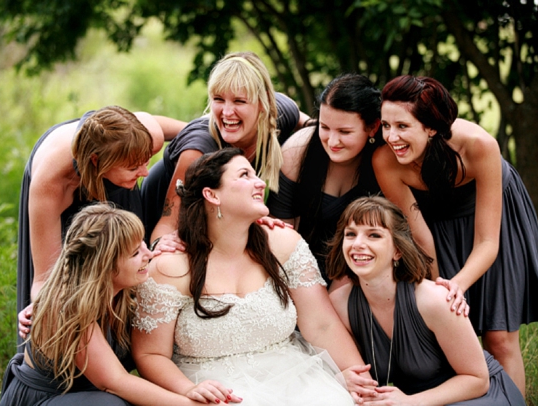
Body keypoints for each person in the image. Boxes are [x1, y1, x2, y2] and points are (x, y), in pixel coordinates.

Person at [131, 148, 378, 405]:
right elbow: (150, 353)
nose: (260, 182)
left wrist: (354, 375)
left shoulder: (283, 243)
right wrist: (187, 389)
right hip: (213, 388)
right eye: (245, 175)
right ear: (211, 194)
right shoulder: (169, 267)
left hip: (294, 378)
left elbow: (321, 324)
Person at [372, 75, 538, 397]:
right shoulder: (385, 161)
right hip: (436, 227)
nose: (391, 137)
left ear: (430, 127)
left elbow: (487, 241)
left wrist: (459, 284)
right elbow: (420, 234)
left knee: (499, 337)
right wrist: (441, 289)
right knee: (457, 335)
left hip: (494, 219)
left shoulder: (479, 146)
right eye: (386, 125)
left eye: (402, 126)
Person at [327, 196, 525, 405]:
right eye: (350, 234)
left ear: (398, 250)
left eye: (374, 235)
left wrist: (411, 403)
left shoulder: (433, 300)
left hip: (474, 396)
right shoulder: (339, 304)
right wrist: (342, 377)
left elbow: (478, 380)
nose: (358, 244)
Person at [1, 204, 202, 405]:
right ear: (104, 266)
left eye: (142, 243)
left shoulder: (127, 292)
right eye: (134, 254)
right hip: (46, 398)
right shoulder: (67, 306)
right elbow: (115, 381)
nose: (149, 254)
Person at [16, 105, 186, 342]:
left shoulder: (144, 137)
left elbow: (193, 133)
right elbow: (45, 277)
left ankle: (123, 349)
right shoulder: (53, 183)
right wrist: (44, 305)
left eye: (146, 161)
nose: (145, 173)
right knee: (71, 295)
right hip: (66, 182)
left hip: (110, 164)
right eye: (134, 167)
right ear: (98, 161)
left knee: (126, 261)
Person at [141, 51, 309, 251]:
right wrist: (160, 245)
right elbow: (167, 224)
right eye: (218, 99)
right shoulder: (198, 151)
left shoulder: (278, 115)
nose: (227, 112)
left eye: (239, 101)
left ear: (263, 103)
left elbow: (311, 125)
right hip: (159, 219)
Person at [267, 73, 383, 281]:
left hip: (368, 269)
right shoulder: (297, 153)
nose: (332, 141)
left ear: (373, 127)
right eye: (325, 127)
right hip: (299, 268)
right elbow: (278, 235)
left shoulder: (385, 159)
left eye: (345, 132)